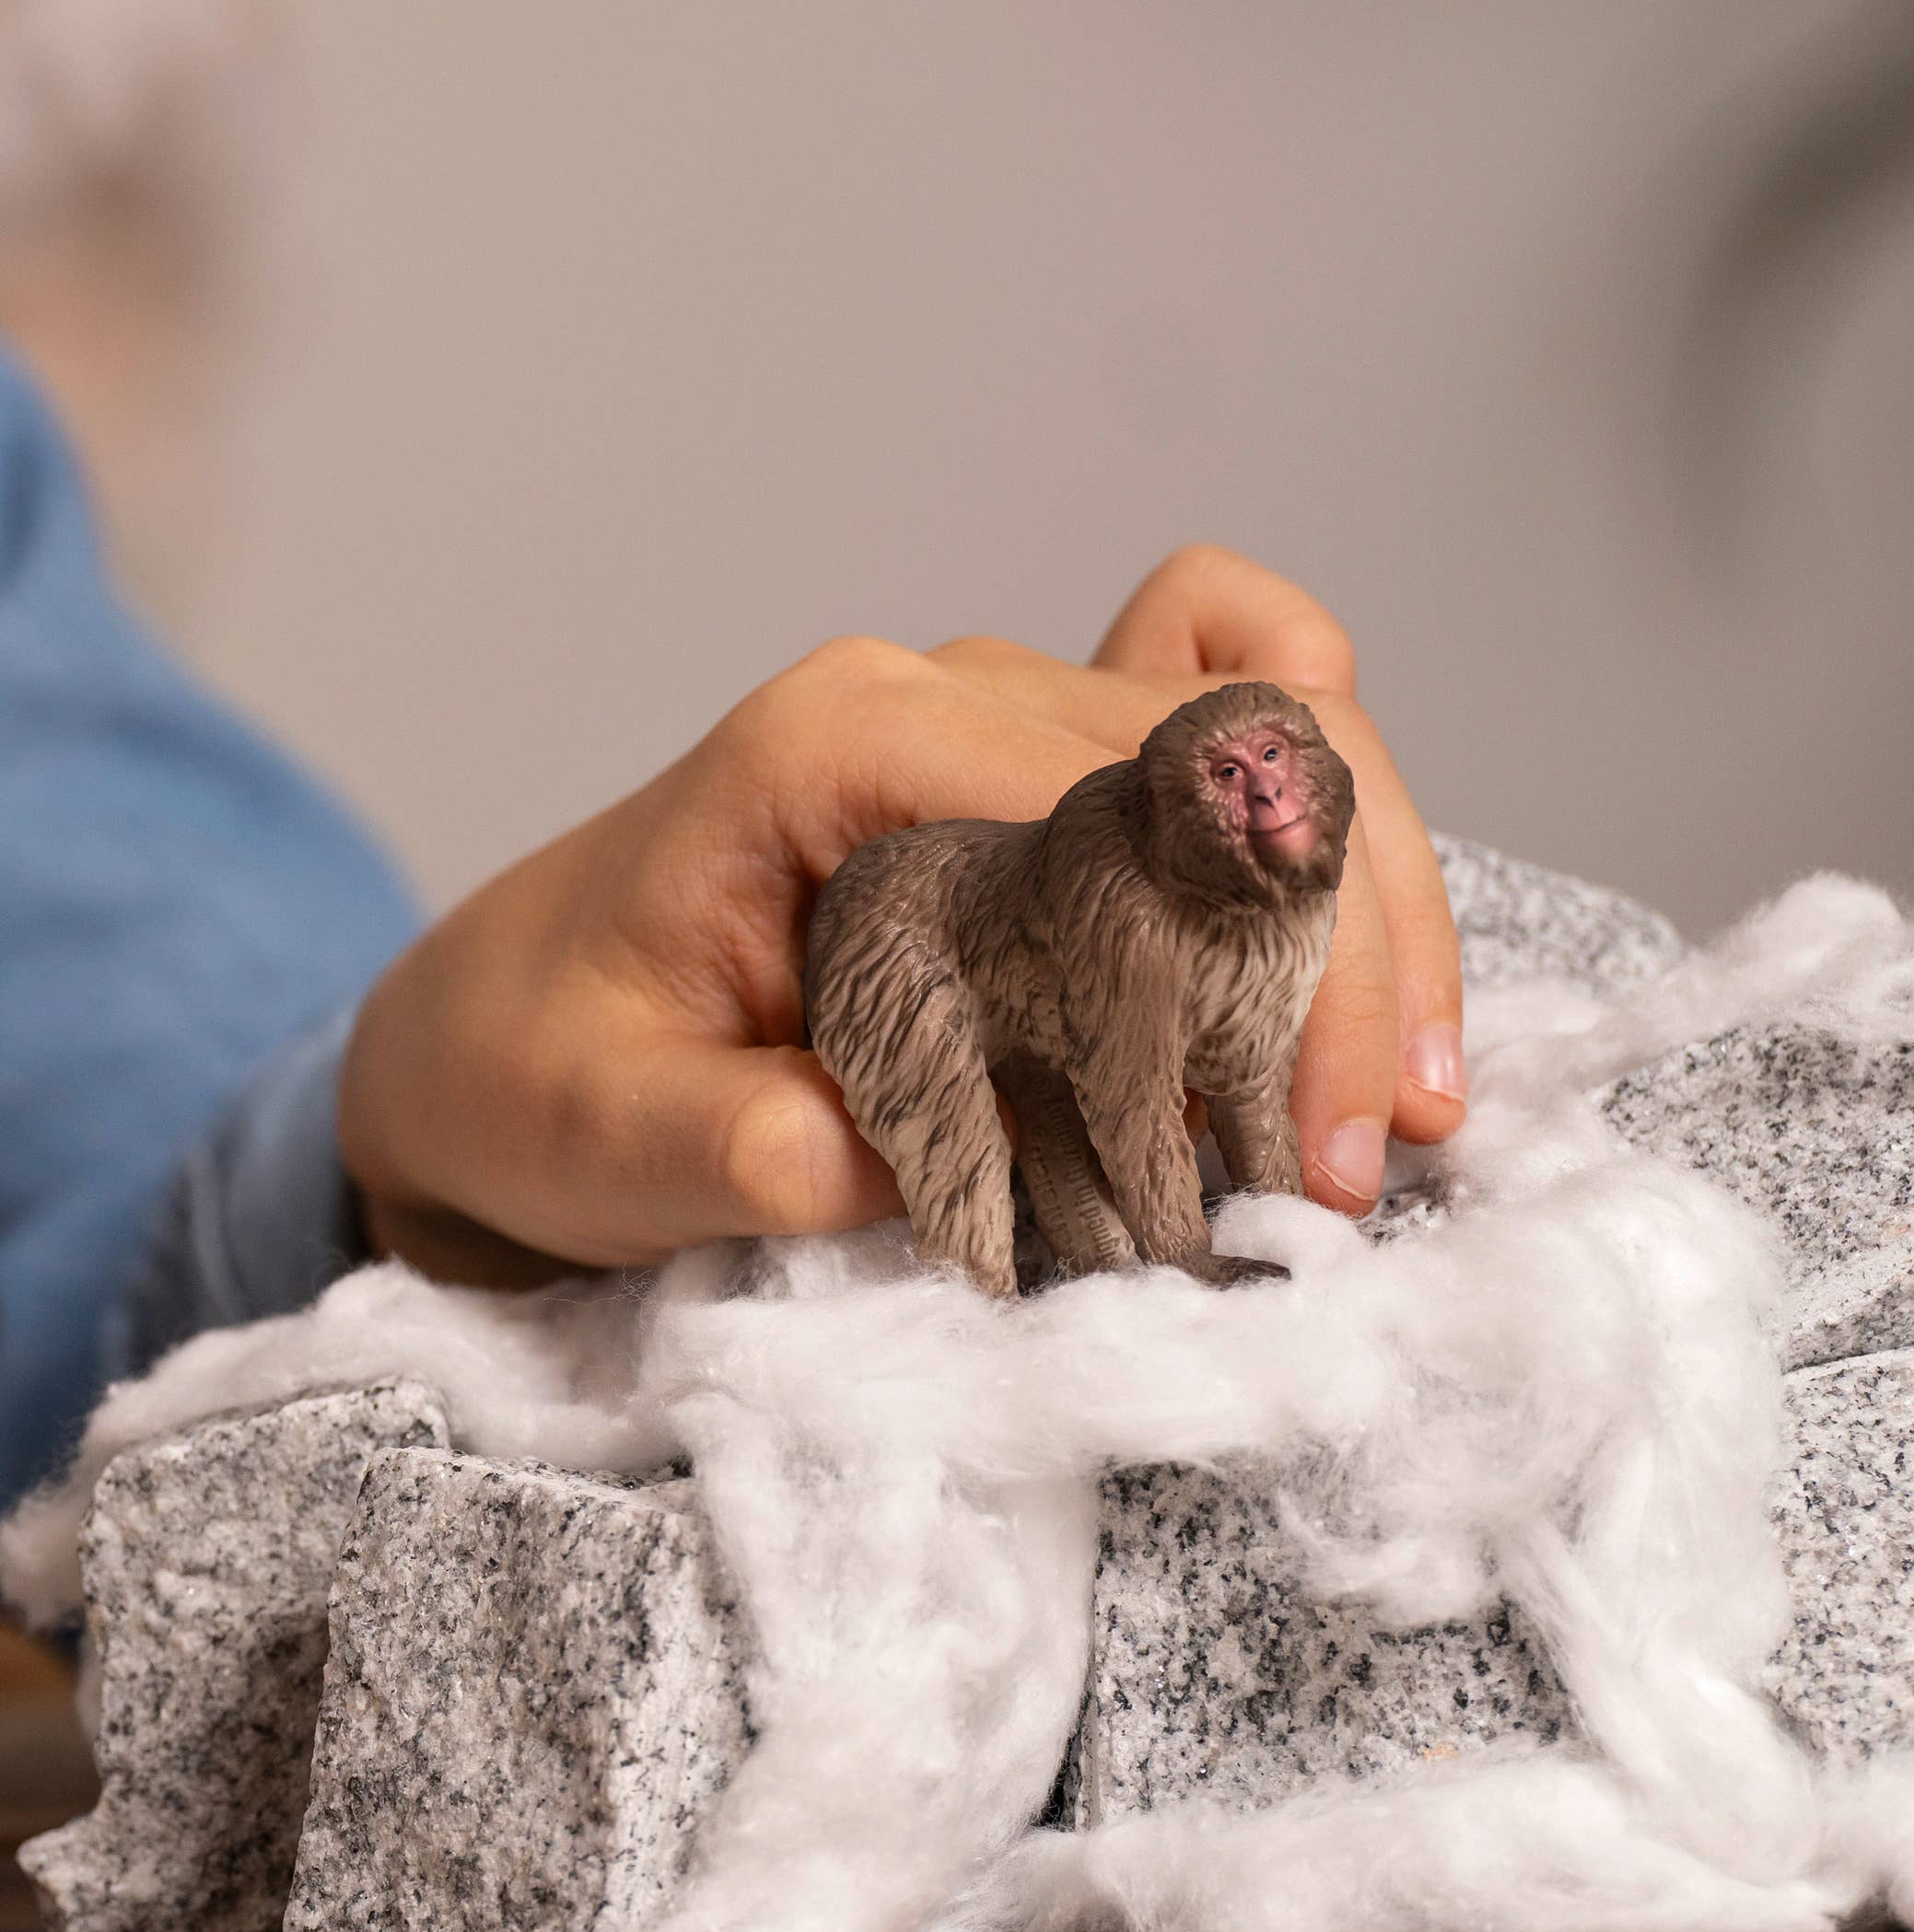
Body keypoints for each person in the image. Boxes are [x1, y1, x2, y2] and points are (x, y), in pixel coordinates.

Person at [0, 351, 1465, 1512]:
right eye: (1234, 776)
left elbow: (103, 1093)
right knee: (998, 1199)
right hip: (931, 981)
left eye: (1279, 772)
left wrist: (367, 1163)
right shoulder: (1084, 929)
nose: (1268, 793)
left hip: (300, 1197)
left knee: (1057, 1170)